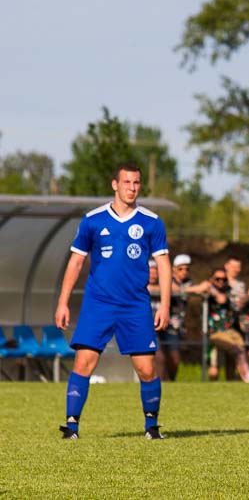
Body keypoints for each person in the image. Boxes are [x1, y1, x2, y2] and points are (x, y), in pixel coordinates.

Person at [55, 162, 171, 440]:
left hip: (135, 305)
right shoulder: (93, 220)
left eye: (137, 183)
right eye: (127, 182)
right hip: (99, 304)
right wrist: (62, 302)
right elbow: (76, 262)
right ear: (115, 184)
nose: (132, 188)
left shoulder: (152, 222)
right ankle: (71, 427)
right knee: (83, 363)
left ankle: (152, 427)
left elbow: (164, 264)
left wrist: (165, 305)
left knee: (146, 369)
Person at [154, 254, 206, 381]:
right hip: (158, 322)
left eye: (187, 269)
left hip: (174, 327)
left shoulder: (188, 283)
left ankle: (171, 383)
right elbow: (172, 288)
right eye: (180, 269)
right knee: (160, 357)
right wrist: (193, 289)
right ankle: (160, 383)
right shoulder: (168, 279)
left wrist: (197, 288)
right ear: (173, 269)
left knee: (175, 359)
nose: (184, 272)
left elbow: (205, 287)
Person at [204, 268, 249, 383]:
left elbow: (244, 297)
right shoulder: (208, 290)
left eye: (223, 279)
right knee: (214, 370)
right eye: (217, 279)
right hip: (215, 333)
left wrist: (244, 298)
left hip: (231, 331)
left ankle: (241, 377)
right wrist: (216, 293)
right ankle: (248, 375)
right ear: (212, 279)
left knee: (239, 352)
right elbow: (204, 286)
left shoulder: (230, 291)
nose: (221, 281)